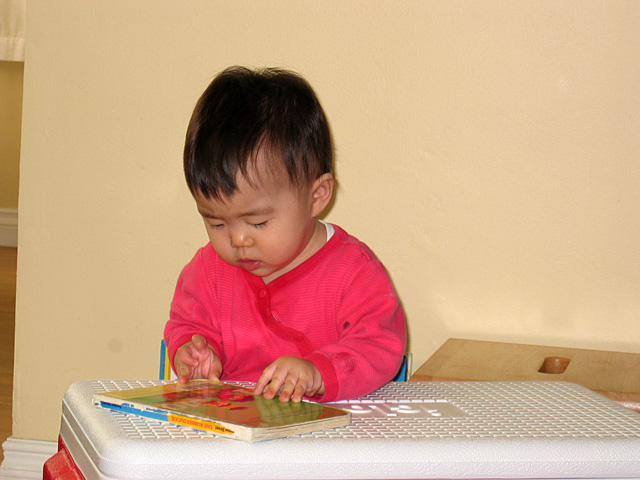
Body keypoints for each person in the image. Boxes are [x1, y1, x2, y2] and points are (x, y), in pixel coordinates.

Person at [164, 66, 406, 403]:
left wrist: (318, 372)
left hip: (327, 442)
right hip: (229, 441)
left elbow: (380, 346)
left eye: (258, 223)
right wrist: (194, 352)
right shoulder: (207, 271)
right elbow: (188, 324)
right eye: (216, 223)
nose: (238, 240)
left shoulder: (354, 272)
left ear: (317, 196)